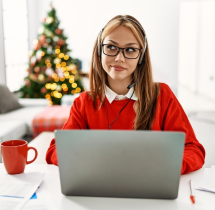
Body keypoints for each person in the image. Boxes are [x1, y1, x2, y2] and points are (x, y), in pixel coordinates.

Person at [46, 15, 205, 174]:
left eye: (130, 49)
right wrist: (90, 163)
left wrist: (166, 167)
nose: (119, 58)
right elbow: (56, 150)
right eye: (111, 47)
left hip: (149, 186)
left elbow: (193, 149)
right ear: (100, 51)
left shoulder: (162, 95)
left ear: (141, 57)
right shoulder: (84, 103)